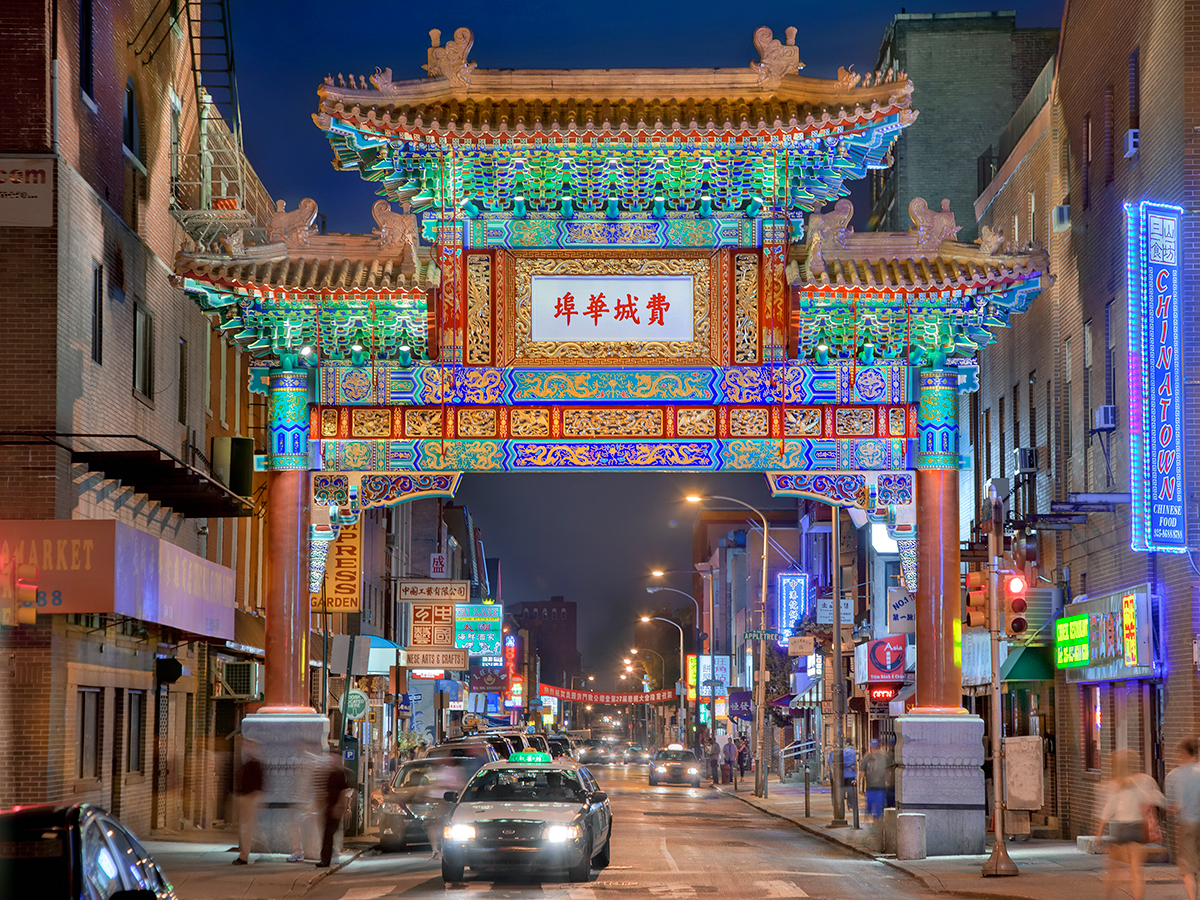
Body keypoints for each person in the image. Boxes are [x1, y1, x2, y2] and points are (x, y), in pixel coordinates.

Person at [1096, 748, 1166, 900]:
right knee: (1136, 870)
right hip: (1137, 827)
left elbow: (1108, 809)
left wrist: (1099, 832)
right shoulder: (1143, 780)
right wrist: (1170, 806)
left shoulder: (1115, 784)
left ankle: (1108, 896)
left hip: (1121, 828)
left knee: (1113, 869)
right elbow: (1155, 798)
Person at [1166, 738, 1200, 900]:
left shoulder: (1175, 775)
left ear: (1183, 753)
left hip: (1187, 824)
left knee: (1188, 868)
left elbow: (1173, 805)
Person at [232, 740, 264, 865]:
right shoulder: (251, 763)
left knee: (246, 827)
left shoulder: (254, 764)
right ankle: (245, 852)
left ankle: (244, 855)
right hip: (247, 797)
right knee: (247, 826)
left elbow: (256, 784)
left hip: (249, 798)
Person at [318, 749, 352, 868]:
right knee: (327, 834)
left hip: (335, 809)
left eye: (333, 758)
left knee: (328, 834)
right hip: (329, 808)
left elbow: (343, 792)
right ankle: (328, 856)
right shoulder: (330, 773)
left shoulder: (340, 774)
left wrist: (341, 807)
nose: (331, 761)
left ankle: (326, 859)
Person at [863, 739, 893, 821]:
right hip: (870, 787)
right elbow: (862, 771)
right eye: (872, 748)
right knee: (869, 805)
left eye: (875, 748)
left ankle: (876, 820)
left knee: (879, 806)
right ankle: (872, 817)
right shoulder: (867, 758)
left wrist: (887, 781)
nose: (874, 750)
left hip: (880, 786)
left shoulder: (883, 757)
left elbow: (888, 770)